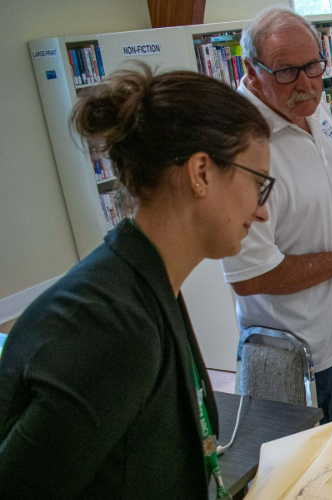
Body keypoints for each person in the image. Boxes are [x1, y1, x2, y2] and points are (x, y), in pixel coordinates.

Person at [0, 65, 272, 498]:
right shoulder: (109, 323)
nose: (262, 212)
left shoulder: (148, 283)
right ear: (201, 172)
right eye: (258, 184)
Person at [220, 7, 332, 424]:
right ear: (251, 70)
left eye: (313, 66)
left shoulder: (313, 103)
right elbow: (250, 276)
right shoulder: (238, 146)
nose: (307, 83)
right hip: (300, 353)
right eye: (286, 71)